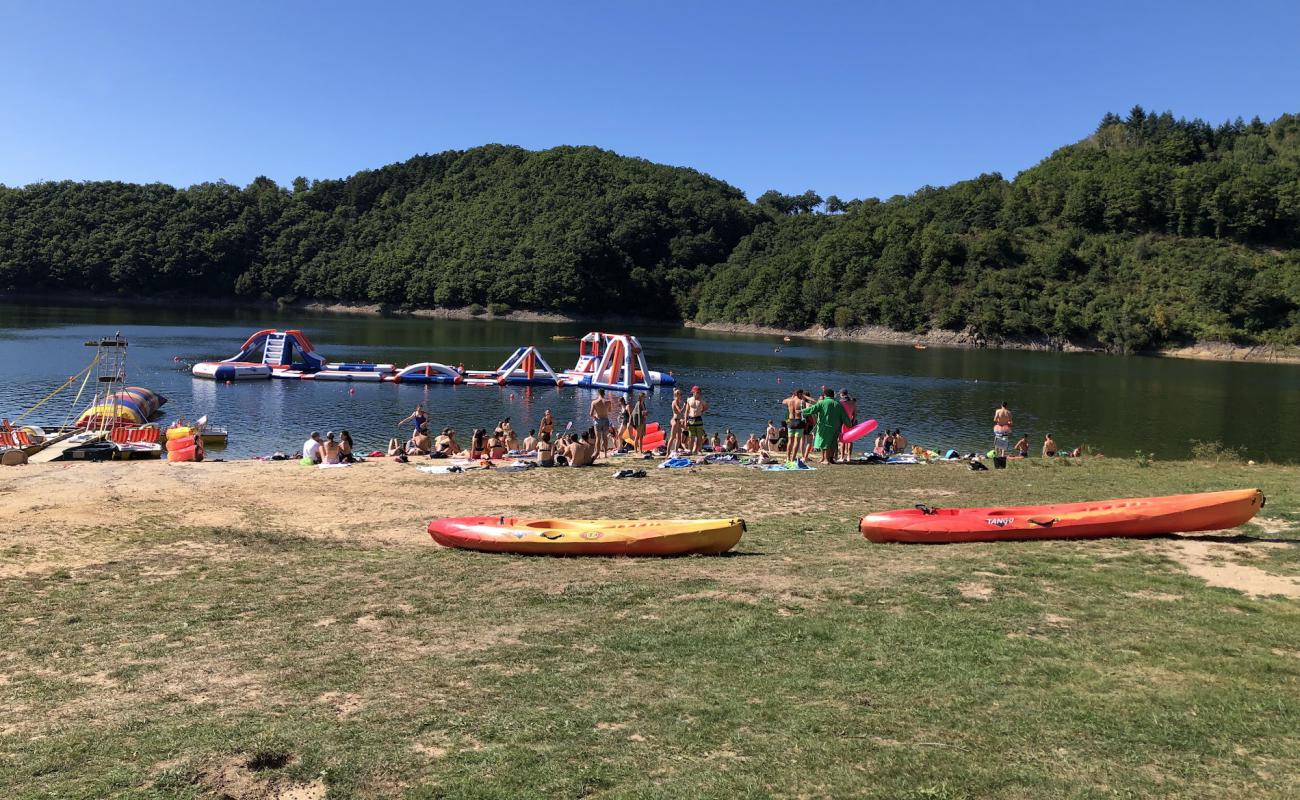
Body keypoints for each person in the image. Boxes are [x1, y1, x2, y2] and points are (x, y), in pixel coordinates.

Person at [800, 388, 850, 464]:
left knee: (824, 443)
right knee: (833, 443)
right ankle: (829, 458)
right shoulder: (838, 404)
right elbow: (844, 416)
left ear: (825, 395)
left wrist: (801, 411)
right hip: (836, 427)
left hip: (825, 425)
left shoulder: (823, 403)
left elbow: (813, 409)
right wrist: (849, 424)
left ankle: (826, 459)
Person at [781, 389, 807, 460]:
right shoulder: (802, 401)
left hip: (791, 422)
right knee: (797, 441)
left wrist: (791, 398)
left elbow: (783, 401)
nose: (803, 396)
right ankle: (793, 458)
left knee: (790, 441)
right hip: (799, 422)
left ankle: (788, 457)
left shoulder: (789, 401)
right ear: (799, 394)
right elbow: (804, 412)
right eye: (802, 394)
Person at [686, 385, 709, 454]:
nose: (697, 393)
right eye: (696, 392)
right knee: (691, 436)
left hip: (698, 418)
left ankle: (699, 450)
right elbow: (687, 411)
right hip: (691, 419)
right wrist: (685, 420)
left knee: (699, 436)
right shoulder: (689, 399)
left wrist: (701, 411)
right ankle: (690, 450)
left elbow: (706, 407)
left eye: (698, 392)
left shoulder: (701, 400)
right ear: (693, 392)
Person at [589, 389, 612, 458]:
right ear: (604, 393)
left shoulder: (594, 402)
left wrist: (595, 417)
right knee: (605, 438)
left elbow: (591, 414)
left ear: (598, 393)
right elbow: (610, 411)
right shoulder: (608, 402)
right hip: (605, 420)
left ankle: (598, 454)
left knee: (598, 438)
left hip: (598, 420)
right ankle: (605, 454)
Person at [838, 390, 858, 462]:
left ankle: (842, 457)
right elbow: (855, 414)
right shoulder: (852, 403)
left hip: (842, 423)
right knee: (850, 440)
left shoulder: (840, 402)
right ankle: (849, 457)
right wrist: (852, 422)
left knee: (842, 440)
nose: (839, 395)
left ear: (842, 394)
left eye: (840, 394)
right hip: (850, 422)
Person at [668, 388, 687, 453]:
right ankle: (668, 453)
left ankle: (675, 451)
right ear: (677, 395)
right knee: (672, 437)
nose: (682, 396)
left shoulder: (678, 401)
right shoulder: (675, 401)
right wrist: (684, 407)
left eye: (682, 394)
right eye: (680, 395)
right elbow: (679, 411)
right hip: (675, 420)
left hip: (678, 420)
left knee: (678, 438)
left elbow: (680, 413)